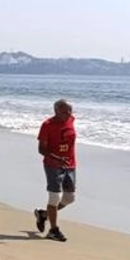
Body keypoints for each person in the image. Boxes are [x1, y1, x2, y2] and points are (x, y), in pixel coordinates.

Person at [34, 99, 76, 243]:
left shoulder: (71, 120)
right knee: (54, 197)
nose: (68, 114)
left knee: (69, 198)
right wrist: (57, 158)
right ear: (56, 111)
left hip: (70, 165)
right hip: (52, 165)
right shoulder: (47, 125)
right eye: (64, 111)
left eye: (70, 111)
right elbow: (41, 149)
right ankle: (53, 230)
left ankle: (44, 215)